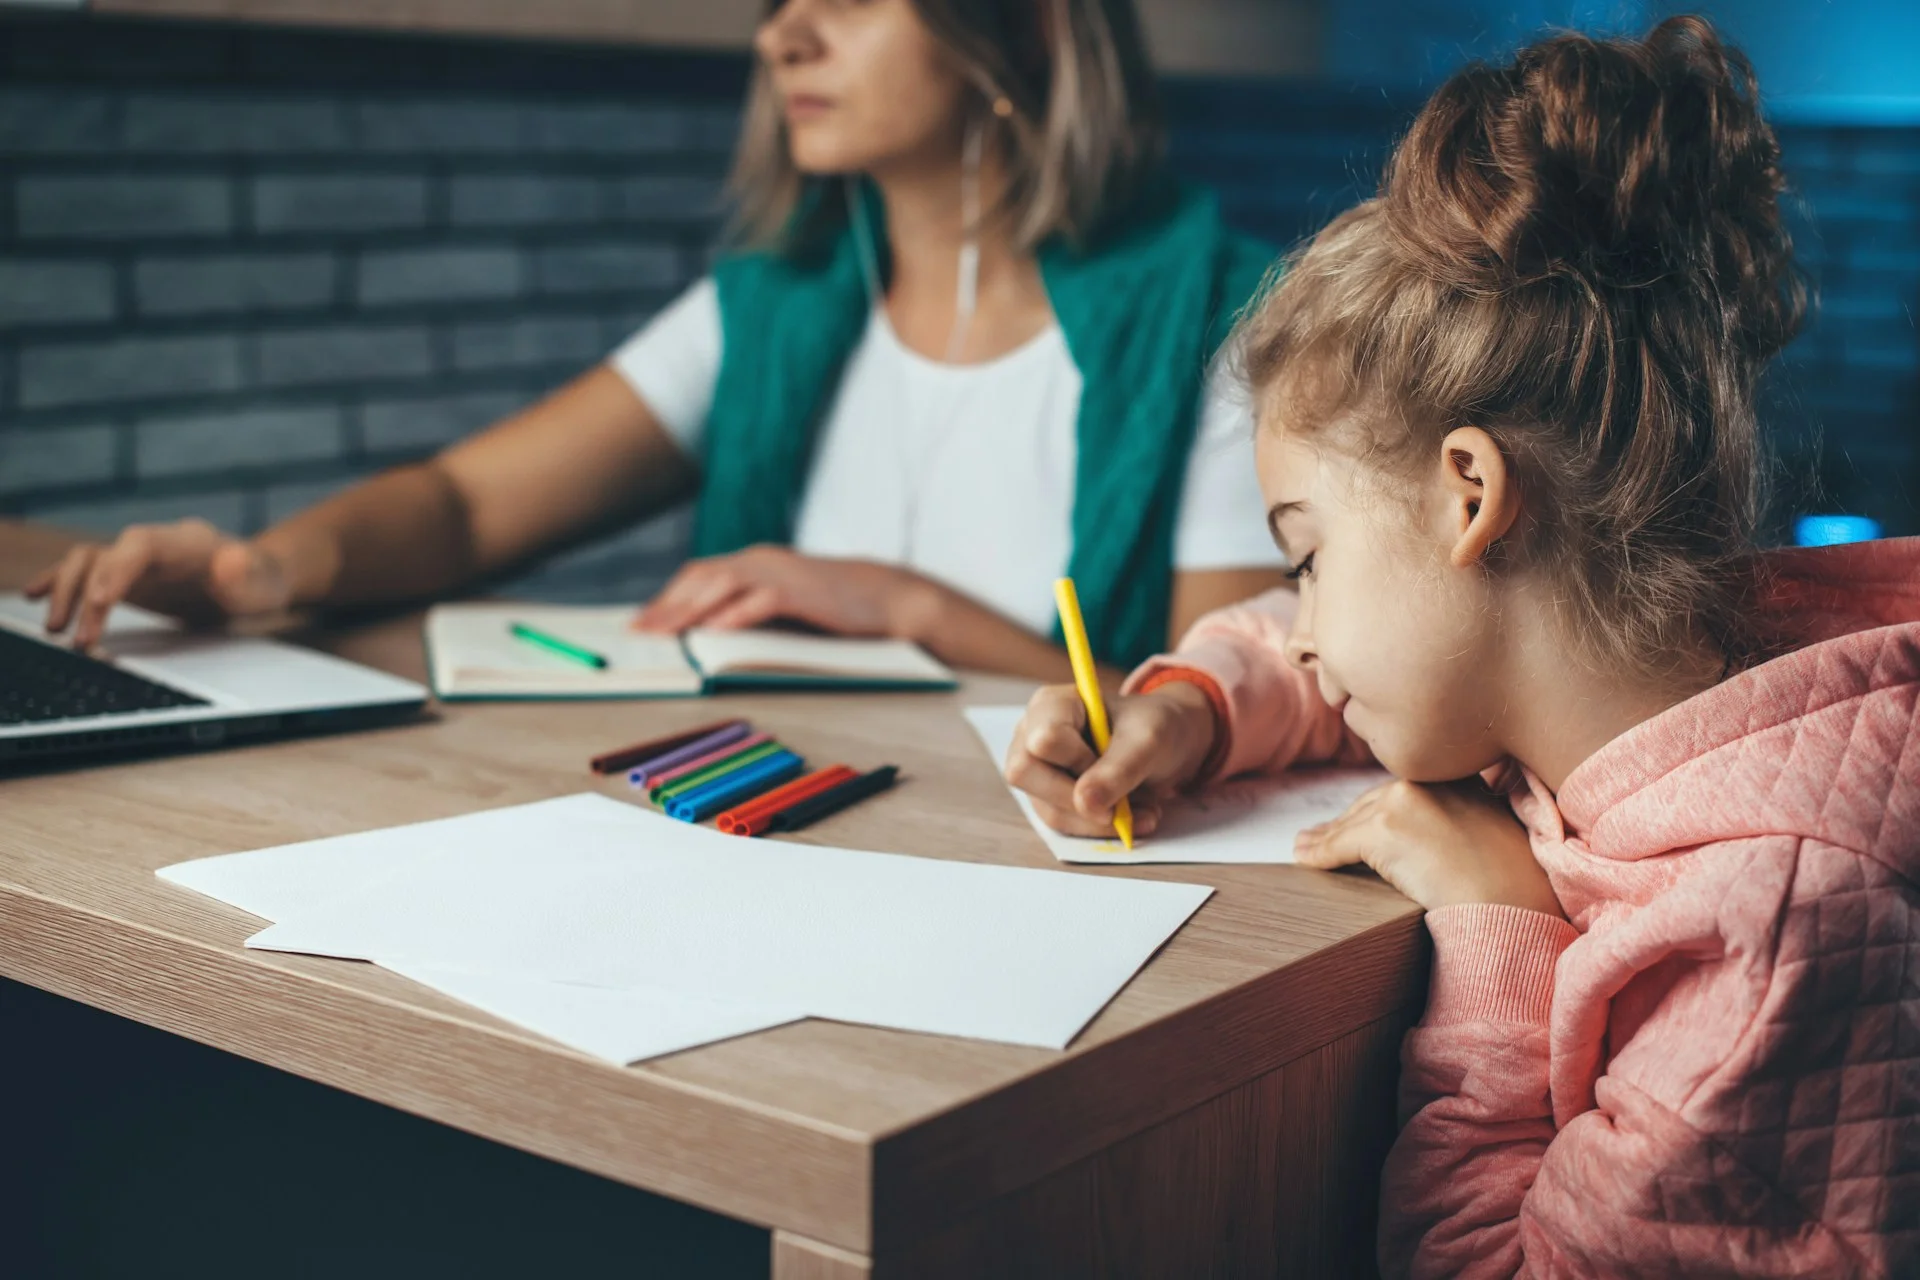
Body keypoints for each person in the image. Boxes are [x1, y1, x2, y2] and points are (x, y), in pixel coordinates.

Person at [1004, 16, 1918, 1276]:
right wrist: (1195, 707)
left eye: (1308, 557)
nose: (1304, 625)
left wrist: (1500, 932)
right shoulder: (1654, 684)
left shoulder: (1762, 936)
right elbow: (1355, 660)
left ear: (1469, 496)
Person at [26, 0, 1287, 679]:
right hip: (763, 853)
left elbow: (1218, 722)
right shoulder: (770, 305)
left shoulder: (1224, 327)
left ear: (1025, 31)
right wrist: (263, 570)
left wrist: (902, 604)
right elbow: (467, 507)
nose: (780, 33)